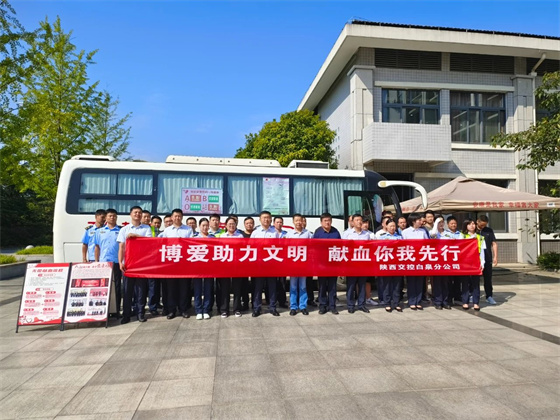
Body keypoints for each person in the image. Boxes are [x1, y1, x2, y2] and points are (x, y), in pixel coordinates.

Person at [117, 206, 152, 324]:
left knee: (141, 290)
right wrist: (120, 262)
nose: (137, 214)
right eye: (135, 212)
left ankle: (140, 313)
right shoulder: (124, 229)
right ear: (130, 214)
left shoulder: (146, 228)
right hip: (128, 264)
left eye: (139, 212)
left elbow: (149, 242)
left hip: (141, 264)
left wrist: (136, 236)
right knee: (127, 290)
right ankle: (126, 315)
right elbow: (121, 247)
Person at [159, 208, 194, 319]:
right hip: (171, 264)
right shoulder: (167, 231)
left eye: (179, 216)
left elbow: (191, 244)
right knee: (171, 288)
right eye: (175, 216)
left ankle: (183, 309)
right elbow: (163, 245)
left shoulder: (188, 230)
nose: (177, 218)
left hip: (184, 263)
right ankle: (171, 310)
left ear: (182, 217)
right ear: (172, 217)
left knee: (184, 288)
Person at [250, 211, 280, 317]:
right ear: (260, 219)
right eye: (264, 217)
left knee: (272, 286)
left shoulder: (275, 232)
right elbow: (251, 247)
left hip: (271, 263)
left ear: (271, 219)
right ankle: (257, 308)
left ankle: (273, 307)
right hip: (259, 264)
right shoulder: (255, 232)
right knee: (258, 287)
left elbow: (279, 247)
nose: (266, 220)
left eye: (268, 217)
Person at [94, 209, 121, 316]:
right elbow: (97, 247)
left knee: (117, 287)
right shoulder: (99, 231)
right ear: (106, 217)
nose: (112, 218)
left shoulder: (120, 231)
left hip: (116, 262)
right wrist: (96, 262)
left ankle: (116, 310)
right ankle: (104, 311)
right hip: (104, 263)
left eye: (114, 216)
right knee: (104, 287)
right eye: (110, 216)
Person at [313, 212, 341, 315]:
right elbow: (313, 247)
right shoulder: (318, 232)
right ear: (321, 222)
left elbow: (340, 247)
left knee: (332, 286)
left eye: (329, 220)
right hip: (321, 264)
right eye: (325, 221)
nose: (327, 222)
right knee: (322, 286)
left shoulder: (336, 232)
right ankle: (322, 306)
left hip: (333, 264)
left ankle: (332, 306)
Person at [286, 214, 313, 315]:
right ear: (293, 222)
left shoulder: (308, 234)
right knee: (293, 286)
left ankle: (303, 306)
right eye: (296, 220)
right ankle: (293, 307)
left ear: (303, 221)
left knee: (303, 286)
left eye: (300, 220)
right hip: (293, 264)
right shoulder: (289, 234)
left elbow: (312, 248)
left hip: (304, 264)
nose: (298, 222)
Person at [217, 216, 244, 317]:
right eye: (230, 224)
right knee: (225, 288)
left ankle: (237, 309)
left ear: (236, 225)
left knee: (237, 288)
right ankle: (224, 309)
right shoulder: (222, 236)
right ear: (226, 226)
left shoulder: (240, 236)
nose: (231, 226)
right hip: (225, 266)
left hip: (237, 265)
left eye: (233, 224)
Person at [401, 213, 428, 310]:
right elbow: (402, 246)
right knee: (411, 281)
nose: (421, 222)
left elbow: (428, 243)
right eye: (419, 220)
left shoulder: (423, 231)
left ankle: (418, 301)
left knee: (420, 281)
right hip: (410, 259)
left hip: (421, 259)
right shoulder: (405, 232)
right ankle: (412, 301)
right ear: (413, 221)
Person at [345, 214, 371, 314]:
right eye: (357, 220)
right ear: (352, 222)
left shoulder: (366, 234)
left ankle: (361, 304)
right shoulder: (347, 234)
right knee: (351, 285)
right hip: (351, 264)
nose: (359, 222)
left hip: (363, 263)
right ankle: (350, 305)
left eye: (360, 220)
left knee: (362, 285)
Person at [377, 219, 403, 312]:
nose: (392, 228)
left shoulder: (400, 237)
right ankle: (387, 303)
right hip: (387, 264)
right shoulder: (382, 237)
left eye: (394, 226)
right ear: (386, 227)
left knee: (397, 285)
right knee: (386, 284)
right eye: (390, 226)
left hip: (397, 264)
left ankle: (396, 303)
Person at [461, 219, 486, 311]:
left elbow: (482, 252)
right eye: (469, 224)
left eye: (473, 224)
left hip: (476, 262)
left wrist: (482, 263)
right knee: (465, 283)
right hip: (465, 262)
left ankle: (476, 302)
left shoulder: (480, 237)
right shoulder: (462, 236)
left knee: (476, 283)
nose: (472, 226)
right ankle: (465, 301)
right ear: (466, 226)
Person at [193, 218, 214, 320]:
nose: (205, 227)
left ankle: (206, 309)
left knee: (208, 289)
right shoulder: (194, 238)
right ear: (199, 226)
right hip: (197, 267)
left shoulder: (213, 238)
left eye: (207, 225)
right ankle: (198, 310)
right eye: (203, 225)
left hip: (209, 267)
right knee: (197, 289)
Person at [429, 217, 452, 310]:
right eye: (439, 222)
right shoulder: (433, 232)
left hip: (446, 261)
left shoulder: (448, 233)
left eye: (442, 222)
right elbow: (433, 234)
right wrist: (436, 223)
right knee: (437, 282)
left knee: (445, 282)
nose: (441, 224)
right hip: (436, 261)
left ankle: (445, 301)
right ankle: (438, 301)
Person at [477, 215, 498, 305]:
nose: (483, 227)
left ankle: (489, 296)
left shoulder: (489, 231)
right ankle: (473, 295)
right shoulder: (473, 230)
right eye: (481, 225)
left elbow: (494, 244)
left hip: (487, 258)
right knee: (474, 279)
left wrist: (495, 257)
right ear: (477, 221)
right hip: (475, 259)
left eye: (484, 225)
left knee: (488, 278)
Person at [147, 215, 163, 316]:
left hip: (160, 263)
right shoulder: (149, 232)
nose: (157, 225)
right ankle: (152, 306)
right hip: (151, 263)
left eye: (158, 223)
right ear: (151, 223)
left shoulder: (161, 233)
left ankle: (157, 303)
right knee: (152, 285)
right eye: (155, 223)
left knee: (158, 285)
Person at [272, 216, 288, 308]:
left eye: (280, 222)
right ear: (273, 223)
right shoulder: (270, 233)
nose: (279, 224)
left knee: (282, 282)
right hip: (272, 260)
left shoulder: (286, 234)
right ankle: (272, 300)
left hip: (282, 261)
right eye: (277, 222)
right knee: (272, 282)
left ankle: (282, 301)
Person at [302, 216, 317, 307]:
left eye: (304, 221)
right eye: (301, 221)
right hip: (298, 261)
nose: (302, 223)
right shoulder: (292, 234)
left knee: (309, 282)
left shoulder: (310, 234)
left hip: (308, 262)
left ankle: (310, 299)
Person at [240, 217, 254, 311]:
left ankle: (254, 302)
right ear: (244, 224)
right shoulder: (241, 235)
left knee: (255, 284)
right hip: (244, 263)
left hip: (254, 263)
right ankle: (245, 302)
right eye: (247, 223)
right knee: (244, 284)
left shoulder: (256, 234)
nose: (249, 225)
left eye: (251, 223)